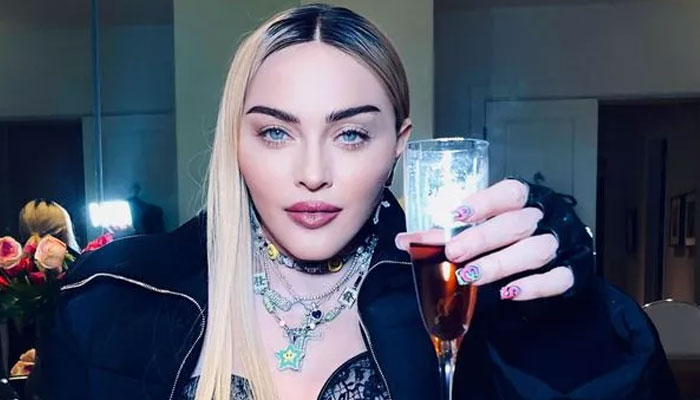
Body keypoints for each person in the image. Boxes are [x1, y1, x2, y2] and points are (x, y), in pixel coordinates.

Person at [37, 4, 677, 400]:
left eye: (350, 134)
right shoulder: (111, 299)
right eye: (276, 132)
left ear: (398, 146)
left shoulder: (467, 306)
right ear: (236, 141)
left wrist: (574, 320)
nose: (313, 174)